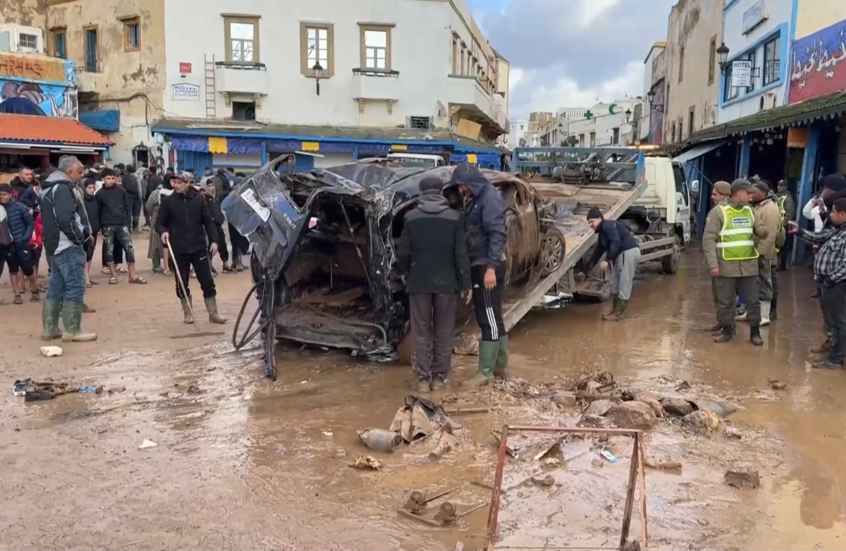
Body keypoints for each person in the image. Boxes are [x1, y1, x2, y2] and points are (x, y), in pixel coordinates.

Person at [397, 176, 471, 392]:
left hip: (418, 283)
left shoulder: (410, 217)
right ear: (440, 193)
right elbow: (461, 254)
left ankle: (422, 380)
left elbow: (403, 252)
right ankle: (439, 379)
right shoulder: (455, 218)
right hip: (447, 284)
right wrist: (465, 284)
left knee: (421, 332)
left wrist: (404, 273)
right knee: (444, 331)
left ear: (421, 193)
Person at [448, 164, 508, 388]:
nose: (461, 190)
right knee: (494, 317)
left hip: (486, 266)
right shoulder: (479, 196)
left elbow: (497, 232)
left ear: (470, 182)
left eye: (462, 186)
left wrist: (491, 268)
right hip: (483, 264)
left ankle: (486, 373)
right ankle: (500, 369)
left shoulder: (488, 197)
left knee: (488, 317)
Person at [155, 172, 227, 325]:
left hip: (199, 247)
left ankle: (213, 313)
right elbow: (159, 222)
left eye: (180, 183)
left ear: (188, 183)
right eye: (175, 182)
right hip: (179, 248)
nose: (177, 185)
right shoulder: (168, 202)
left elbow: (208, 221)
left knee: (207, 281)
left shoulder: (199, 199)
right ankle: (188, 313)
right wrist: (163, 232)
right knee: (181, 282)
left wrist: (214, 240)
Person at [703, 179, 768, 346]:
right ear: (739, 194)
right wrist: (713, 265)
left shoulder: (750, 210)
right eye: (749, 193)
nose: (752, 196)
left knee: (753, 301)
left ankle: (755, 332)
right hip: (726, 265)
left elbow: (760, 228)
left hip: (748, 265)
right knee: (726, 301)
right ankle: (727, 331)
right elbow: (708, 240)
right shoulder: (719, 212)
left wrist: (763, 231)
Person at [40, 156, 96, 342]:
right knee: (75, 285)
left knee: (56, 286)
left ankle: (50, 328)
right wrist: (79, 238)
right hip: (67, 246)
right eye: (79, 172)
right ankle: (72, 330)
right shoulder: (63, 188)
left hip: (54, 246)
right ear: (69, 172)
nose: (82, 175)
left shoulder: (49, 188)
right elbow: (66, 219)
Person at [789, 198, 846, 369]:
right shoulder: (838, 230)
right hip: (828, 283)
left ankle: (835, 359)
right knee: (832, 322)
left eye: (834, 211)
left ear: (843, 214)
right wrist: (800, 232)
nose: (831, 214)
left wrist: (831, 279)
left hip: (837, 284)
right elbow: (819, 236)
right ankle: (833, 351)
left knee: (839, 322)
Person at [584, 207, 641, 321]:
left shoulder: (608, 226)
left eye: (592, 221)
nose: (591, 224)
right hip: (621, 255)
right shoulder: (602, 234)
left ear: (600, 219)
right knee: (614, 283)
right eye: (589, 222)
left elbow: (616, 242)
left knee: (624, 283)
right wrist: (585, 270)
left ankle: (618, 314)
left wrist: (607, 260)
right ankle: (615, 311)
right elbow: (597, 252)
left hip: (628, 252)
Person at [96, 168, 146, 285]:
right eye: (108, 178)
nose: (111, 181)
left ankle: (132, 275)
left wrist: (128, 224)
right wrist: (101, 227)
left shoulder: (122, 191)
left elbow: (127, 208)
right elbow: (98, 211)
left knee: (129, 249)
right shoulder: (99, 194)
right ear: (103, 179)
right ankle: (113, 275)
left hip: (122, 224)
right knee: (109, 251)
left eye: (113, 178)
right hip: (107, 225)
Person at [744, 181, 783, 326]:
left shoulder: (770, 209)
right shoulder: (758, 207)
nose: (751, 195)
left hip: (763, 254)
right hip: (754, 252)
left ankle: (765, 315)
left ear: (763, 193)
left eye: (754, 192)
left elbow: (770, 235)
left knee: (765, 283)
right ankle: (751, 312)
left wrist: (760, 253)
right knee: (753, 284)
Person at [0, 184, 36, 304]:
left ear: (10, 194)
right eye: (0, 195)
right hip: (7, 245)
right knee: (13, 269)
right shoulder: (0, 209)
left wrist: (25, 238)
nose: (2, 197)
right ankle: (17, 295)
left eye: (4, 194)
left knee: (27, 269)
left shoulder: (20, 207)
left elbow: (30, 223)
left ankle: (34, 289)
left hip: (21, 243)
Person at [706, 181, 732, 333]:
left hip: (722, 260)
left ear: (723, 195)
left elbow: (709, 238)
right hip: (730, 259)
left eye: (715, 194)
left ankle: (726, 326)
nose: (712, 197)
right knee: (723, 295)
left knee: (722, 295)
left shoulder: (718, 211)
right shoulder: (736, 210)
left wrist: (712, 263)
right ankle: (722, 323)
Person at [145, 179, 172, 275]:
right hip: (158, 218)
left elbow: (148, 206)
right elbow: (148, 206)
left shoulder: (176, 191)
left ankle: (163, 265)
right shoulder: (157, 192)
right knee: (157, 242)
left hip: (165, 219)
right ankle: (158, 265)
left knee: (161, 242)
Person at [82, 178, 100, 288]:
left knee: (90, 253)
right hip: (85, 231)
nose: (92, 190)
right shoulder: (81, 201)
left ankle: (87, 275)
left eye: (93, 187)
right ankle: (85, 278)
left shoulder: (95, 199)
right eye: (89, 188)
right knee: (85, 253)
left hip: (95, 229)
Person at [776, 180, 795, 270]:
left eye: (781, 185)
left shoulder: (788, 198)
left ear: (785, 187)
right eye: (778, 185)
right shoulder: (776, 196)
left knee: (783, 246)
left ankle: (782, 265)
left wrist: (783, 224)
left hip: (784, 225)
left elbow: (790, 213)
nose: (779, 187)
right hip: (776, 224)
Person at [121, 164, 142, 232]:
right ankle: (134, 226)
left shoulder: (125, 177)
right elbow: (139, 188)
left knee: (129, 212)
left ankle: (129, 227)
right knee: (135, 212)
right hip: (135, 196)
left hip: (128, 196)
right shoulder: (136, 177)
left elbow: (124, 187)